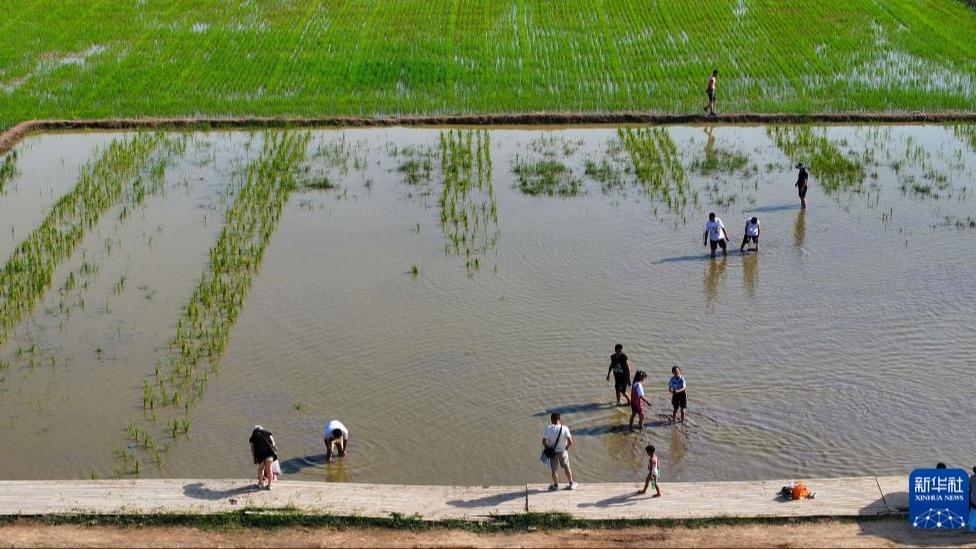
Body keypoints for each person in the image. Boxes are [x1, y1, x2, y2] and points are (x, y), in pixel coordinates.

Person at [542, 413, 577, 491]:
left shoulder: (548, 428)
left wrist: (548, 449)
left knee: (554, 470)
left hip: (552, 453)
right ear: (559, 419)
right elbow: (570, 441)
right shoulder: (565, 428)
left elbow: (544, 441)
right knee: (567, 468)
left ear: (552, 419)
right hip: (562, 451)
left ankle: (555, 485)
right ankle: (571, 484)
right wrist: (566, 448)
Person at [248, 425, 277, 490]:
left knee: (261, 469)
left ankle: (260, 484)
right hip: (269, 454)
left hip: (260, 454)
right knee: (269, 470)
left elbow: (253, 450)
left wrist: (254, 458)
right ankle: (270, 485)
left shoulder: (253, 437)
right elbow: (273, 444)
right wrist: (274, 453)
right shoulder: (268, 434)